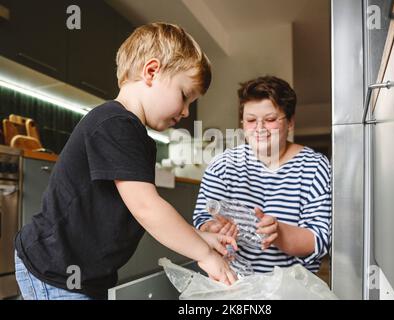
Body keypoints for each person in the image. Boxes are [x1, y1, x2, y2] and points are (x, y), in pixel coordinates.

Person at [14, 22, 237, 300]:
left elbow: (140, 209)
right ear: (152, 71)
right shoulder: (116, 122)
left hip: (84, 274)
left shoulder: (132, 132)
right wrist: (204, 254)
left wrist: (198, 238)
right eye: (184, 96)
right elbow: (146, 207)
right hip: (55, 268)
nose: (185, 112)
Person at [193, 76, 332, 274]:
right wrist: (213, 229)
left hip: (292, 289)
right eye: (250, 120)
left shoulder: (315, 167)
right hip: (234, 286)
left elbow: (319, 239)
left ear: (290, 122)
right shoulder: (222, 166)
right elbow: (202, 222)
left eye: (270, 120)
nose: (259, 129)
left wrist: (278, 233)